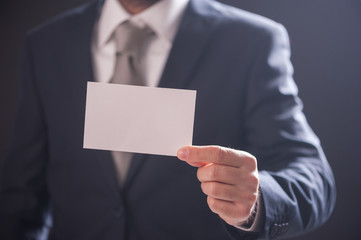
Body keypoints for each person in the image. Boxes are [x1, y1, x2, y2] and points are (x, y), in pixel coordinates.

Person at [0, 0, 336, 239]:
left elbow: (314, 177)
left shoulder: (252, 42)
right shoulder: (47, 44)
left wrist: (257, 198)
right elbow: (21, 197)